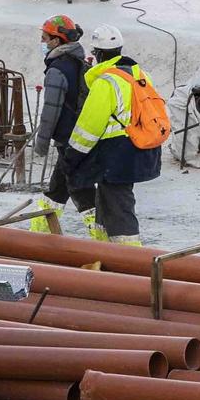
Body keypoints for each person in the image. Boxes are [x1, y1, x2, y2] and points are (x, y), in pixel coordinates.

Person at [62, 25, 166, 245]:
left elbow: (89, 127)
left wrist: (73, 154)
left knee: (119, 205)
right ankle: (104, 249)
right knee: (108, 199)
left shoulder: (106, 82)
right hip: (141, 147)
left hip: (116, 153)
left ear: (98, 54)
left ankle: (129, 259)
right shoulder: (139, 75)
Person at [26, 14, 88, 235]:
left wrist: (41, 143)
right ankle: (39, 232)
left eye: (45, 38)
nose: (42, 43)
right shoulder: (78, 62)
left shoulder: (57, 69)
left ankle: (103, 236)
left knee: (80, 190)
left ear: (57, 41)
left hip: (67, 137)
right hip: (79, 135)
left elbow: (51, 110)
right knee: (59, 187)